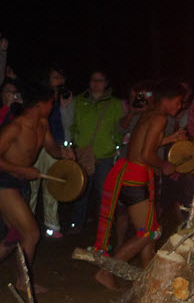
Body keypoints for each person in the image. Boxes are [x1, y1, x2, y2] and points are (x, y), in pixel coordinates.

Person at [93, 80, 183, 290]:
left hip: (129, 173)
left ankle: (148, 278)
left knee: (149, 228)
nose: (179, 107)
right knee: (149, 233)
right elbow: (146, 154)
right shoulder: (159, 118)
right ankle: (105, 272)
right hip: (135, 177)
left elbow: (141, 144)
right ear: (167, 100)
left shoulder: (150, 114)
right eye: (178, 102)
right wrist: (164, 165)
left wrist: (171, 138)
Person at [0, 85, 75, 293]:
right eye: (51, 102)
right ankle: (23, 282)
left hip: (19, 181)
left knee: (14, 236)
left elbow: (52, 149)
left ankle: (22, 280)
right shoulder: (16, 127)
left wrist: (64, 153)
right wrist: (21, 169)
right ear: (41, 104)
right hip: (4, 181)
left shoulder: (42, 124)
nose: (53, 106)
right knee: (31, 234)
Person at [69, 70, 124, 233]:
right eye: (93, 80)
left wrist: (115, 146)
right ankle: (77, 224)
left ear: (106, 83)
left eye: (100, 80)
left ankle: (105, 226)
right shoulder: (79, 101)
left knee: (103, 193)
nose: (96, 83)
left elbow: (119, 128)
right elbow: (72, 124)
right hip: (83, 153)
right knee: (81, 189)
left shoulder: (114, 103)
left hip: (105, 155)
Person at [29, 65, 74, 238]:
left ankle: (52, 225)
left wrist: (64, 106)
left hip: (56, 145)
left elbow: (68, 124)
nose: (57, 80)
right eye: (54, 77)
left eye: (60, 77)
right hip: (38, 145)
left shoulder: (67, 97)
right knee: (32, 185)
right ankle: (27, 223)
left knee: (52, 184)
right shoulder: (41, 96)